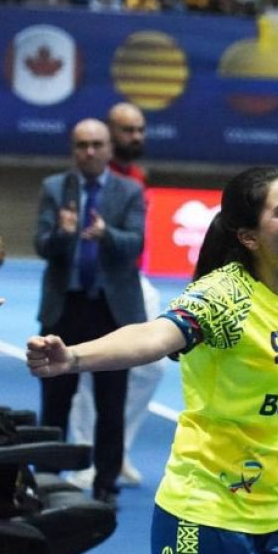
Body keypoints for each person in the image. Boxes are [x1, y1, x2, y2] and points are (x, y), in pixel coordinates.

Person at [28, 166, 278, 554]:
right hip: (207, 515)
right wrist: (74, 358)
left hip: (277, 516)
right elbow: (156, 335)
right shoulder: (225, 295)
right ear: (249, 237)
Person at [34, 118, 146, 506]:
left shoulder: (129, 191)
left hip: (110, 311)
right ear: (73, 149)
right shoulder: (54, 188)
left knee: (110, 404)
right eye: (82, 145)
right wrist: (64, 234)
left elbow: (136, 245)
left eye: (97, 144)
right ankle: (46, 479)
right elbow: (42, 246)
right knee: (55, 401)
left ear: (109, 150)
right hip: (65, 307)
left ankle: (106, 483)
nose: (90, 152)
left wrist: (105, 234)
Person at [70, 101, 161, 489]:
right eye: (128, 130)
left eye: (140, 130)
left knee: (150, 367)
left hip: (131, 280)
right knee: (93, 370)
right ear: (108, 134)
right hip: (94, 282)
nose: (136, 137)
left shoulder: (138, 176)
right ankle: (86, 458)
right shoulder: (87, 179)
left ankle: (117, 448)